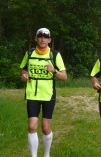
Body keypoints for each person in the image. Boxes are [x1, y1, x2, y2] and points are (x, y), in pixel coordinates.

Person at [20, 28, 67, 157]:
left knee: (46, 128)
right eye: (40, 36)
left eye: (45, 37)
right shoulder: (29, 53)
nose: (42, 39)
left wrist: (54, 71)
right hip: (32, 94)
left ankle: (47, 154)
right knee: (32, 126)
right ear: (36, 39)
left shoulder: (54, 55)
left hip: (48, 95)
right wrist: (24, 76)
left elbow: (64, 77)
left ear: (49, 40)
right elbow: (23, 71)